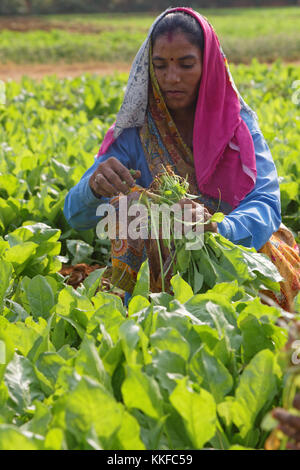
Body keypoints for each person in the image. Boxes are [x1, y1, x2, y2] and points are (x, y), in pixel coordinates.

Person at [64, 7, 300, 311]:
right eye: (160, 65)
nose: (171, 78)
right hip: (162, 267)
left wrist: (219, 229)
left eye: (186, 65)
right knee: (129, 208)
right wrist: (94, 188)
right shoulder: (136, 134)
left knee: (262, 291)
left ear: (208, 66)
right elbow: (76, 215)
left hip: (234, 256)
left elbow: (266, 205)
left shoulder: (236, 128)